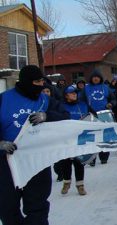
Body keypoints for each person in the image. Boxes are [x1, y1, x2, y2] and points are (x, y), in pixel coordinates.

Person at [0, 65, 69, 225]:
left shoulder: (45, 100)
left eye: (42, 81)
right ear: (26, 82)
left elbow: (65, 116)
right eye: (37, 81)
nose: (41, 85)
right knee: (7, 207)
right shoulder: (4, 99)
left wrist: (48, 116)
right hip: (8, 163)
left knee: (37, 207)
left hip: (37, 161)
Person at [81, 69, 116, 165]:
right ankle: (92, 159)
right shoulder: (86, 88)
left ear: (100, 78)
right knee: (92, 137)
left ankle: (104, 157)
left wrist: (111, 104)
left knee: (104, 137)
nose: (95, 78)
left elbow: (113, 99)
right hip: (91, 115)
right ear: (91, 78)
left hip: (104, 114)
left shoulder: (106, 87)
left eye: (97, 77)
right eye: (94, 77)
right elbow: (81, 101)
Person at [61, 86, 89, 196]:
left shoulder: (82, 104)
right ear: (66, 95)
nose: (74, 94)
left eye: (75, 93)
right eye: (71, 93)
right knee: (66, 162)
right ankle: (66, 182)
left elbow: (91, 116)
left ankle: (80, 185)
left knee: (78, 162)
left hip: (80, 138)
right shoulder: (61, 106)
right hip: (65, 138)